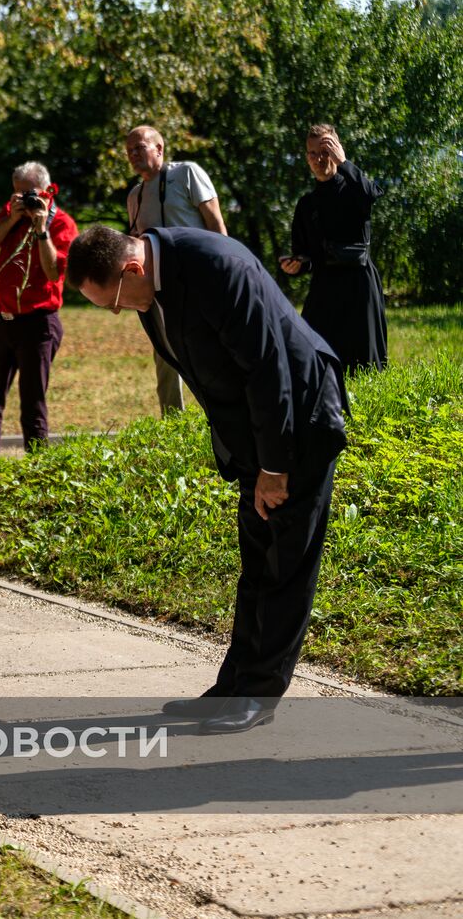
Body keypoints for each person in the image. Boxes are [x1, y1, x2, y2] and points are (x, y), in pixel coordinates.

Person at [66, 225, 347, 735]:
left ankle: (260, 695)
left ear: (132, 268)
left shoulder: (217, 266)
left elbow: (269, 369)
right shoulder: (153, 285)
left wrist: (274, 466)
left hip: (298, 421)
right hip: (257, 436)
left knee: (285, 562)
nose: (117, 312)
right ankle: (233, 685)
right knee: (257, 561)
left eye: (112, 304)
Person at [0, 161, 77, 459]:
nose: (22, 199)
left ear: (45, 191)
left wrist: (41, 229)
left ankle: (37, 468)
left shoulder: (61, 223)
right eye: (16, 193)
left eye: (28, 193)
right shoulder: (10, 214)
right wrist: (12, 218)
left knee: (32, 400)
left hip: (38, 324)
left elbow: (55, 271)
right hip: (2, 321)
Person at [124, 125, 227, 415]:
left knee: (206, 348)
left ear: (159, 149)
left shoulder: (187, 174)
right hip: (160, 286)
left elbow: (216, 223)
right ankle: (173, 422)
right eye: (129, 150)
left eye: (139, 147)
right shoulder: (135, 196)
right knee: (165, 354)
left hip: (198, 277)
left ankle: (221, 413)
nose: (133, 154)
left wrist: (223, 272)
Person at [280, 124, 388, 372]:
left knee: (366, 367)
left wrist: (344, 163)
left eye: (325, 151)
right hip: (324, 289)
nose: (319, 159)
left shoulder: (354, 190)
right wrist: (296, 265)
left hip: (358, 287)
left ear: (337, 151)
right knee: (312, 358)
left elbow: (371, 195)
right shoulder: (306, 205)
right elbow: (306, 255)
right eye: (312, 153)